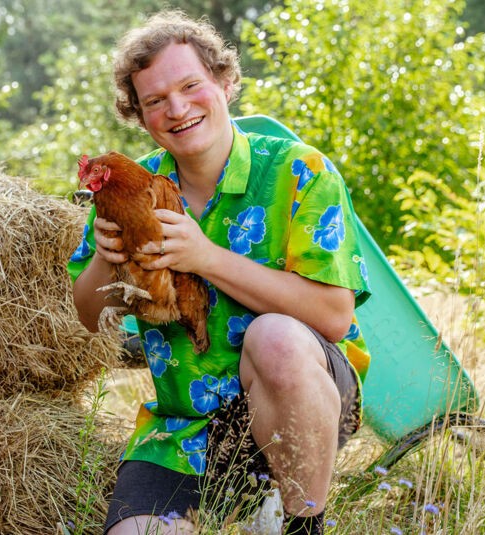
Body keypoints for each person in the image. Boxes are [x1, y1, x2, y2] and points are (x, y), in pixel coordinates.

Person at [67, 10, 372, 535]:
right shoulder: (129, 184)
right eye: (155, 101)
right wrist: (104, 260)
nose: (177, 109)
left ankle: (302, 524)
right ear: (139, 115)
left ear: (226, 83)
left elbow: (332, 316)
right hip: (187, 429)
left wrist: (205, 257)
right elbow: (87, 316)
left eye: (190, 86)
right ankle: (248, 503)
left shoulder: (300, 170)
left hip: (300, 398)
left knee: (274, 337)